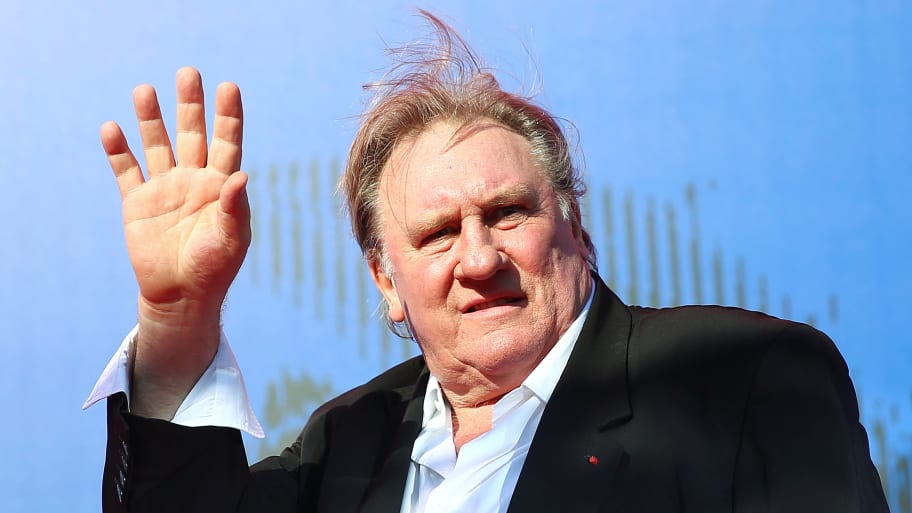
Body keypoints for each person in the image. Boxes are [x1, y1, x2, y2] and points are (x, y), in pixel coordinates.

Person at [86, 12, 889, 513]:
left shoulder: (743, 377)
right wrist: (179, 317)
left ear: (572, 222)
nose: (478, 257)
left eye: (508, 213)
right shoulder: (347, 441)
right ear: (384, 281)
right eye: (437, 232)